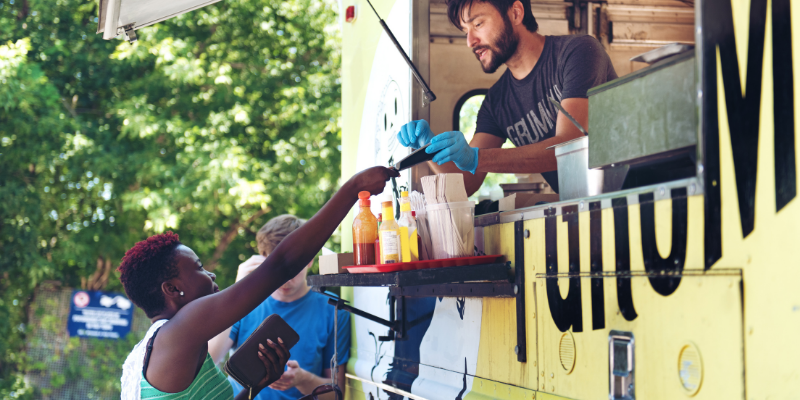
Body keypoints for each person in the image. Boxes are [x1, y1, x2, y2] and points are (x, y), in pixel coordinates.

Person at [118, 166, 398, 400]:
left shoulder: (168, 344)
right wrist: (354, 187)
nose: (211, 275)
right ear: (172, 289)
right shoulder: (180, 331)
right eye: (200, 268)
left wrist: (258, 385)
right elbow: (283, 263)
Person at [397, 0, 617, 196]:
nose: (470, 41)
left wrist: (477, 158)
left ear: (516, 13)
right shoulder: (496, 103)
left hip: (634, 193)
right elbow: (466, 182)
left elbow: (568, 147)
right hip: (583, 208)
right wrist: (428, 148)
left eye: (478, 24)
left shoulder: (578, 52)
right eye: (465, 30)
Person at [207, 215, 350, 400]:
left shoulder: (333, 309)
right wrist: (237, 293)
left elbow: (336, 395)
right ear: (263, 259)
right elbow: (208, 363)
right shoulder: (245, 301)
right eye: (276, 265)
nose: (285, 276)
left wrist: (302, 379)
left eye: (293, 265)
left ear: (310, 259)